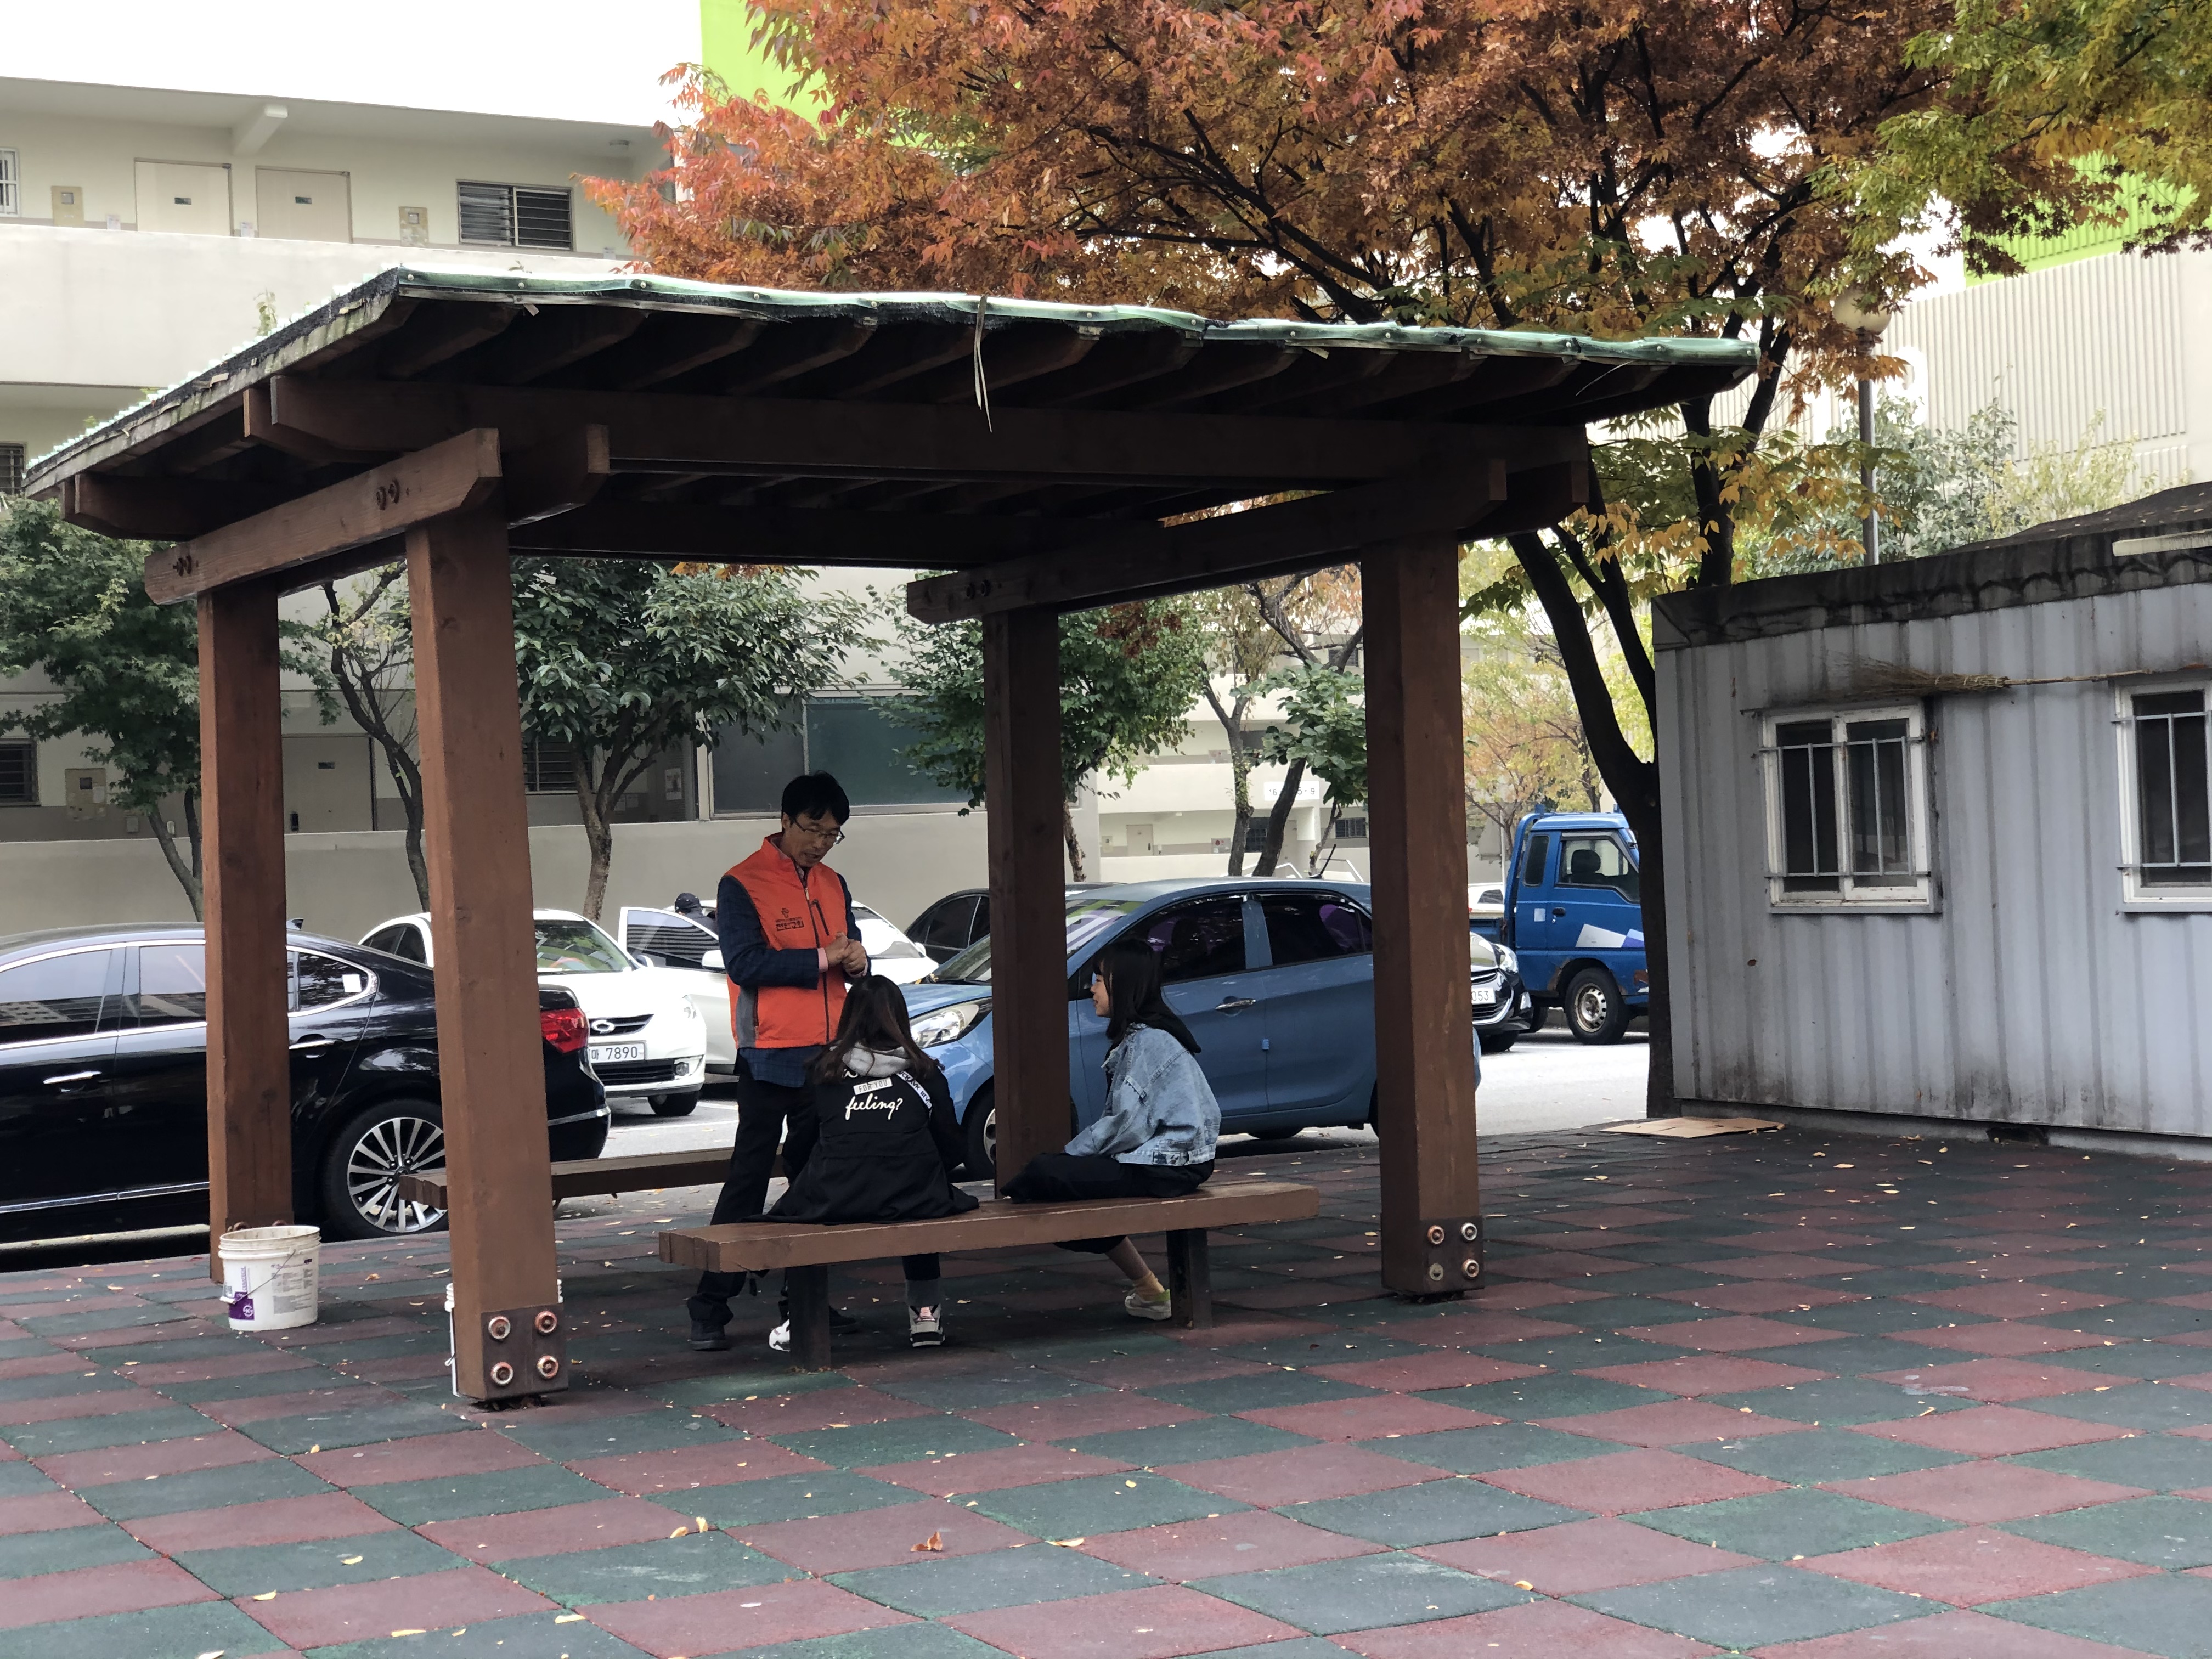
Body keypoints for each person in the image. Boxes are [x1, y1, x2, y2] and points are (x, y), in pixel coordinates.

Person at [687, 772, 871, 1350]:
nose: (820, 843)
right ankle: (710, 1305)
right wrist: (824, 958)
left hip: (829, 1054)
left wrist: (857, 960)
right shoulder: (742, 883)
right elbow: (745, 964)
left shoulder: (834, 883)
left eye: (832, 834)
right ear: (785, 821)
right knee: (747, 1179)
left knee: (818, 1180)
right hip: (768, 1052)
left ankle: (804, 1301)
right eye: (813, 829)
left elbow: (848, 948)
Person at [1004, 938, 1220, 1321]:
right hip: (1173, 1161)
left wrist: (1069, 1156)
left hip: (1169, 1165)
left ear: (1124, 984)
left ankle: (1151, 1292)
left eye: (1099, 980)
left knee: (1047, 1173)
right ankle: (1149, 1291)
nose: (1092, 989)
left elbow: (1124, 1127)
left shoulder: (1148, 1041)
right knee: (1061, 1179)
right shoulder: (1147, 1035)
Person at [760, 976, 978, 1350]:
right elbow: (952, 1144)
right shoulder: (924, 1070)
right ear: (900, 1018)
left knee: (802, 1210)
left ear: (849, 1018)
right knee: (919, 1206)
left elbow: (799, 1147)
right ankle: (925, 1316)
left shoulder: (823, 1071)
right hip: (913, 1196)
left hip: (838, 1195)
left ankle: (801, 1316)